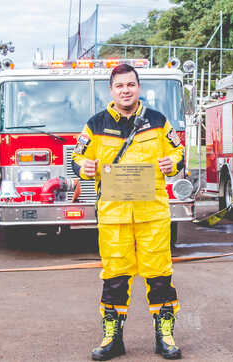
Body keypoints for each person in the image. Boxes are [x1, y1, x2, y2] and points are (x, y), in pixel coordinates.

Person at [72, 64, 184, 360]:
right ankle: (112, 338)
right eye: (120, 85)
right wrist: (82, 168)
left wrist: (173, 163)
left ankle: (165, 336)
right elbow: (77, 157)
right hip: (114, 217)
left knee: (160, 276)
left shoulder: (158, 121)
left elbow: (178, 151)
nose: (125, 90)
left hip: (152, 215)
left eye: (131, 85)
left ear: (138, 87)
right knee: (115, 278)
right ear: (111, 90)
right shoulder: (95, 124)